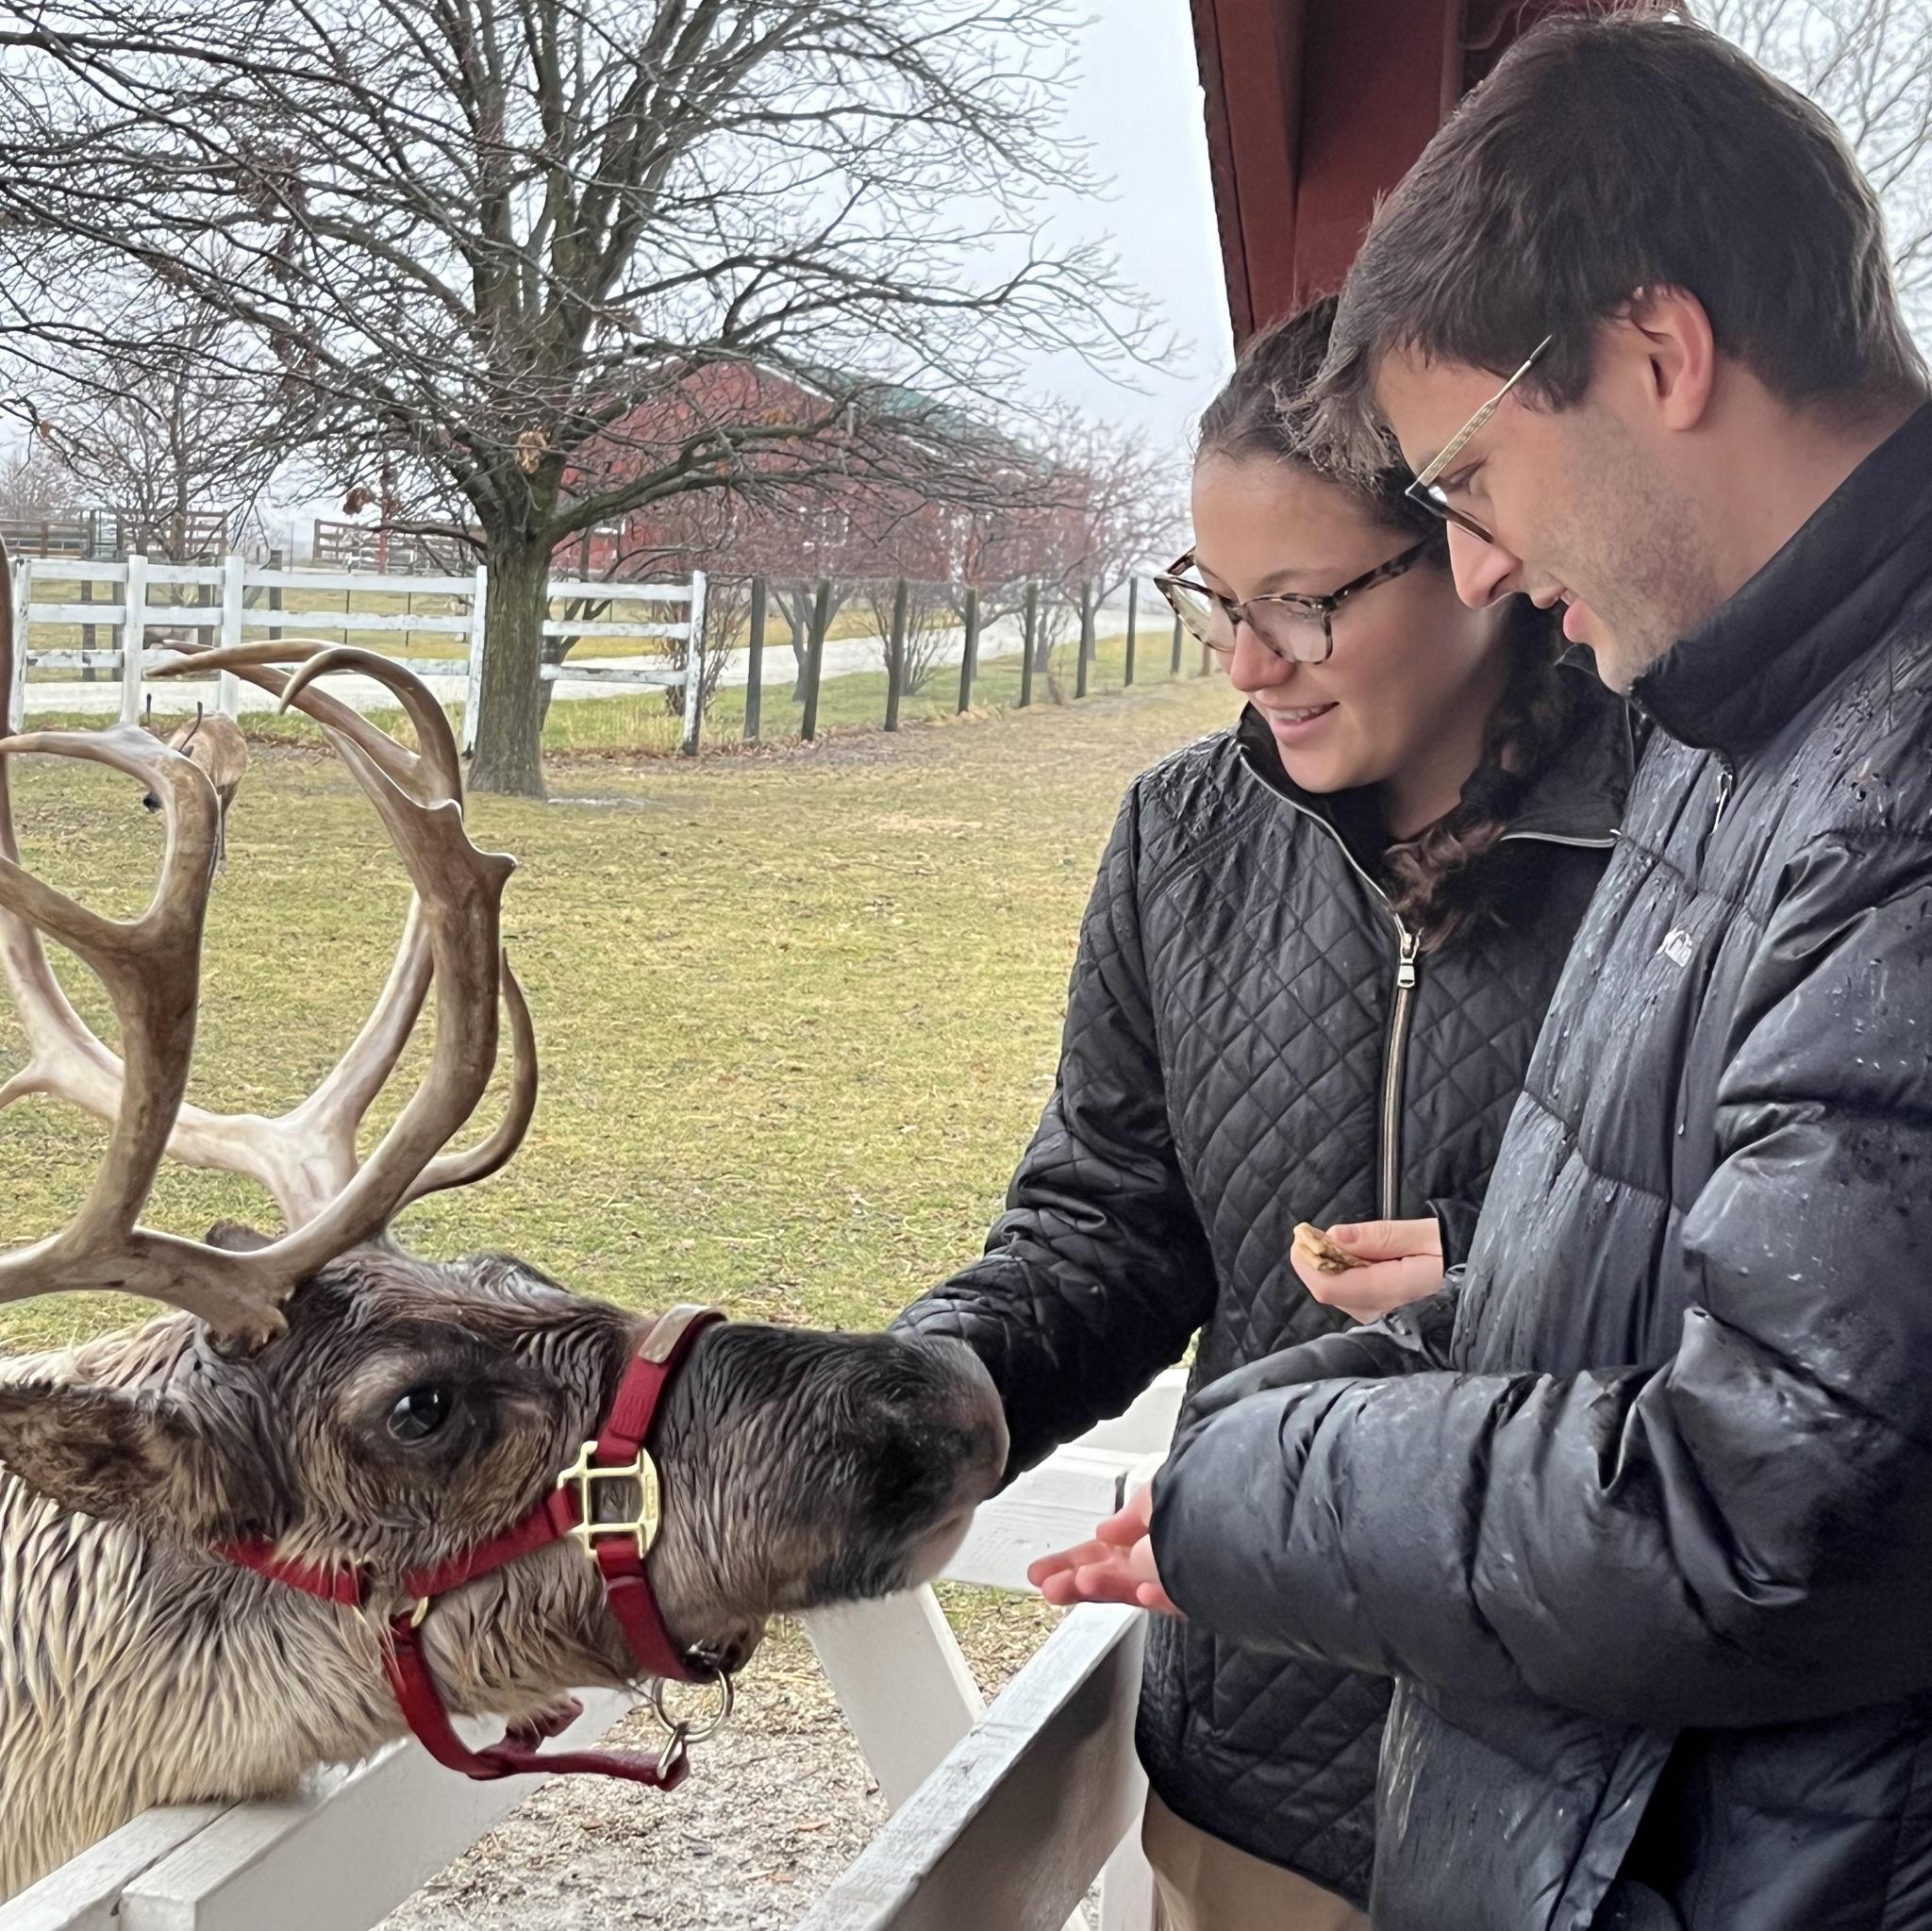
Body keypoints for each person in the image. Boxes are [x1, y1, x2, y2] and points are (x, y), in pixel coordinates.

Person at [1034, 16, 1932, 1931]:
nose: (1482, 562)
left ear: (1658, 353)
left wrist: (1241, 1481)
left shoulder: (1874, 787)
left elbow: (1761, 1507)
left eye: (1465, 474)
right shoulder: (1737, 721)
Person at [894, 294, 1632, 1929]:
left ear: (1475, 548)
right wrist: (928, 1379)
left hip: (1588, 1802)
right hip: (1259, 1779)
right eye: (1217, 601)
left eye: (1300, 606)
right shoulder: (1183, 834)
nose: (1244, 666)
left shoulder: (1688, 835)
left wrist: (1511, 1277)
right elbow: (1109, 1221)